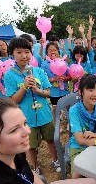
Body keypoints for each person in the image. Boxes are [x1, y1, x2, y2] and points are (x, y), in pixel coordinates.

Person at [4, 37, 60, 174]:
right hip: (26, 118)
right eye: (19, 52)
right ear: (12, 54)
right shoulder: (9, 75)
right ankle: (35, 167)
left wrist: (38, 90)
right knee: (30, 145)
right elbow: (13, 101)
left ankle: (56, 160)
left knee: (51, 139)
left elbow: (49, 92)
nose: (24, 56)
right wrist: (24, 86)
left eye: (27, 52)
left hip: (44, 114)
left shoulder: (39, 71)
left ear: (31, 53)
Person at [40, 42, 71, 122]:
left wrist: (65, 78)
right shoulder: (44, 65)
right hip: (53, 92)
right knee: (55, 110)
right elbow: (43, 80)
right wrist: (54, 79)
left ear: (58, 52)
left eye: (55, 50)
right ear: (46, 52)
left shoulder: (63, 62)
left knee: (67, 108)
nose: (52, 52)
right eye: (50, 50)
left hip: (64, 91)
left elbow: (69, 76)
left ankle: (70, 124)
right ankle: (56, 127)